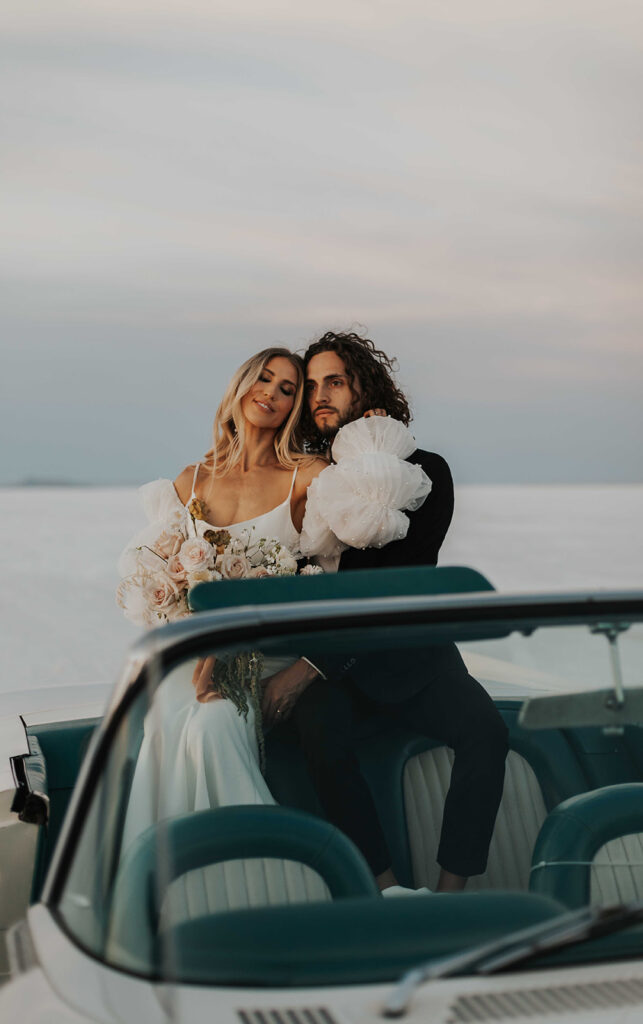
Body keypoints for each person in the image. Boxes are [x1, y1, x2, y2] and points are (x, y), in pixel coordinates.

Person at [116, 345, 425, 916]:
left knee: (209, 726)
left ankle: (270, 894)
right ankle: (172, 903)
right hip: (202, 653)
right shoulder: (191, 481)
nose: (275, 393)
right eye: (266, 379)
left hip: (271, 656)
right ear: (239, 388)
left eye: (289, 388)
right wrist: (196, 636)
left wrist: (377, 443)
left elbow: (364, 549)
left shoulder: (309, 477)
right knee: (167, 712)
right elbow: (171, 581)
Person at [261, 331, 510, 896]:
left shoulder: (426, 471)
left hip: (413, 657)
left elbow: (389, 576)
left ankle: (450, 898)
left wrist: (375, 453)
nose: (321, 395)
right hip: (343, 673)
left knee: (487, 733)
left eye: (336, 382)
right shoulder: (310, 477)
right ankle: (387, 891)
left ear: (363, 388)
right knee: (320, 732)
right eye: (314, 386)